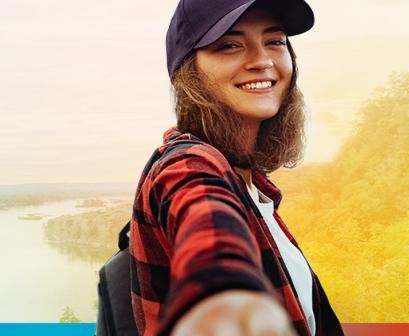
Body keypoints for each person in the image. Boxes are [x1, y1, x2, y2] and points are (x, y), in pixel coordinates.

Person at [128, 0, 344, 335]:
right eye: (229, 45)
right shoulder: (188, 164)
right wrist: (224, 295)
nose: (262, 60)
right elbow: (206, 221)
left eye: (275, 41)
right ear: (189, 72)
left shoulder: (250, 184)